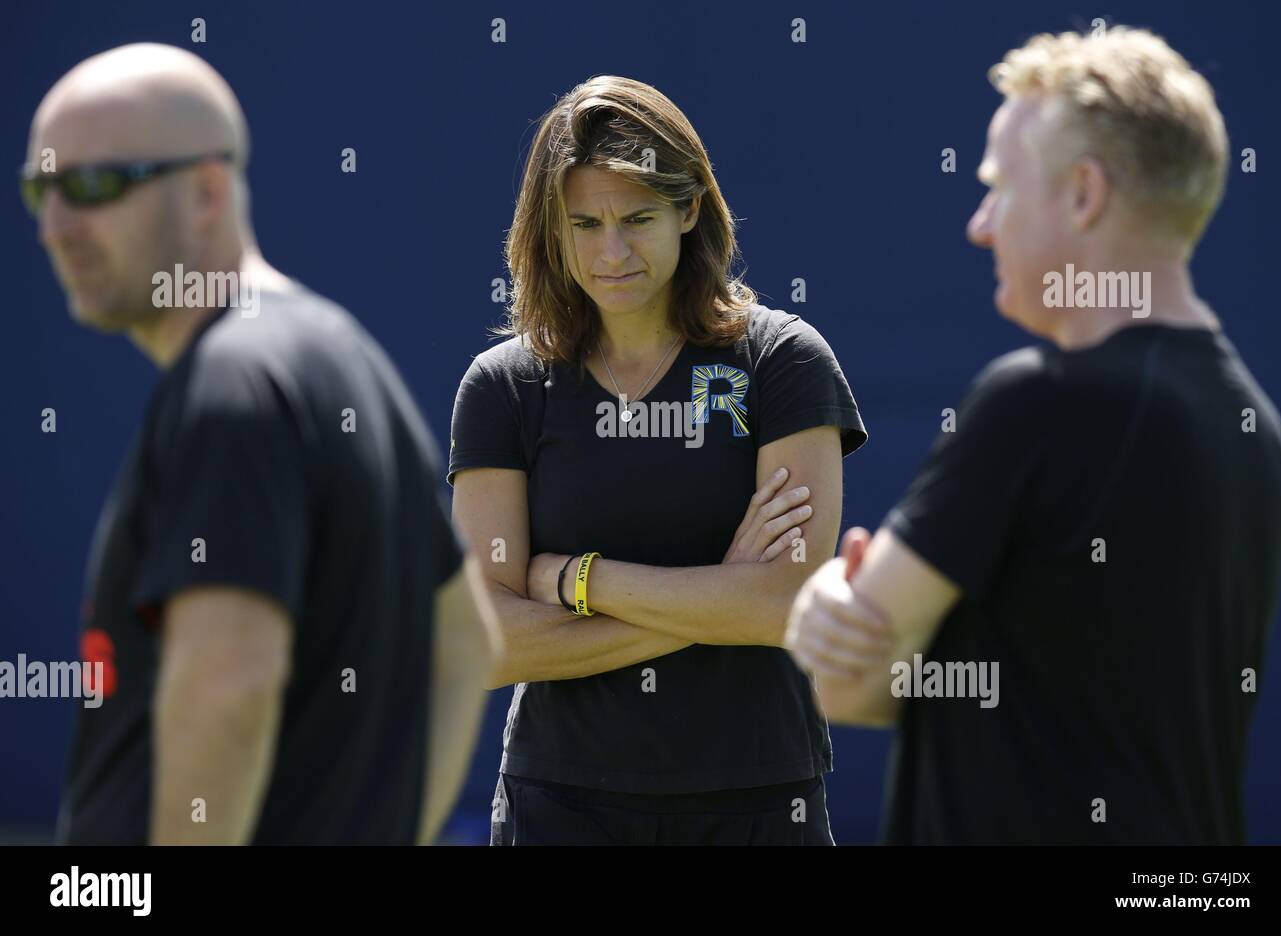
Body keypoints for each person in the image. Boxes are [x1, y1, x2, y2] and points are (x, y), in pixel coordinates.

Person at [784, 27, 1281, 844]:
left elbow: (844, 685)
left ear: (1084, 194)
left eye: (999, 187)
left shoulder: (1041, 401)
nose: (980, 224)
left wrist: (822, 601)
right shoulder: (1254, 426)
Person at [24, 43, 500, 844]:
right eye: (39, 189)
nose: (54, 225)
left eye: (93, 186)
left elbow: (227, 687)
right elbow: (465, 642)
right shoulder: (341, 355)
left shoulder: (231, 384)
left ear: (207, 191)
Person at [448, 75, 867, 845]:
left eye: (638, 218)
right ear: (551, 230)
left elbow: (790, 606)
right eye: (585, 224)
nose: (612, 252)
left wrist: (575, 580)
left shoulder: (783, 361)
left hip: (760, 800)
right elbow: (484, 644)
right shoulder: (504, 386)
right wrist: (725, 602)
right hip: (559, 807)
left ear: (689, 208)